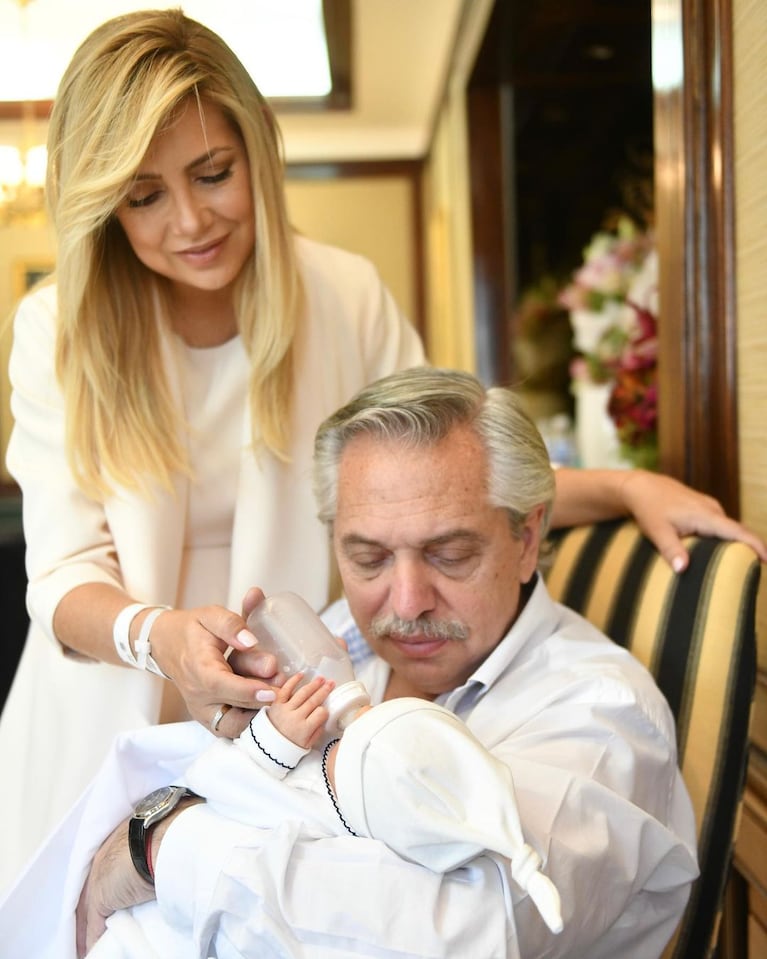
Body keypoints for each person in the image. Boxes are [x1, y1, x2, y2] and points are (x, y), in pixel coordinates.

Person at [0, 7, 763, 900]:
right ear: (103, 204)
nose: (191, 220)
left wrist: (628, 485)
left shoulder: (341, 293)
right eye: (144, 195)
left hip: (282, 707)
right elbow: (58, 574)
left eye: (214, 173)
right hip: (107, 698)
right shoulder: (58, 329)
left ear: (257, 151)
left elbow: (452, 476)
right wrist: (160, 636)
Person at [2, 369, 700, 959]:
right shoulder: (340, 639)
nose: (405, 601)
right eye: (366, 557)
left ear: (526, 538)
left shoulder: (597, 713)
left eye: (450, 554)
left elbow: (458, 934)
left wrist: (161, 849)